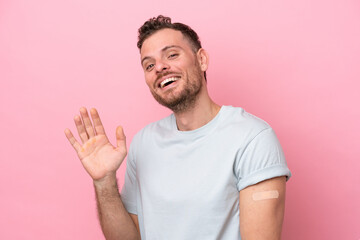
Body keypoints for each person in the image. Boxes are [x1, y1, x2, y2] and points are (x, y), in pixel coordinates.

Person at [65, 15, 291, 240]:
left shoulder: (253, 138)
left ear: (201, 59)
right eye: (149, 65)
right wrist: (104, 181)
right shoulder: (144, 143)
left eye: (172, 55)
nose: (160, 68)